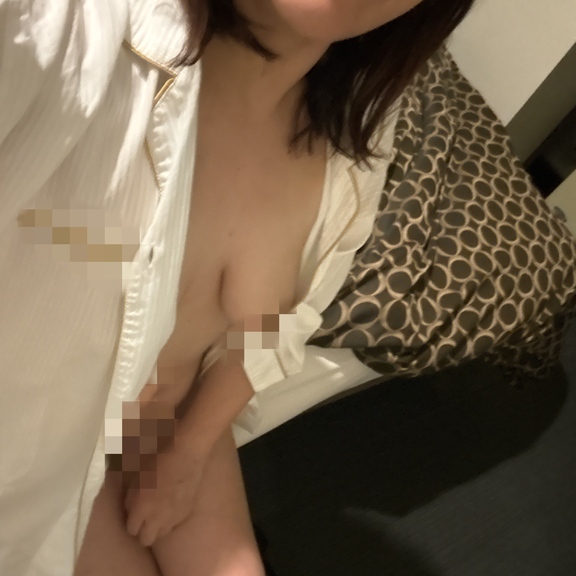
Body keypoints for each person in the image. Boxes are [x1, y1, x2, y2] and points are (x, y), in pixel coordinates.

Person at [0, 0, 476, 574]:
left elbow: (275, 328)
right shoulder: (83, 38)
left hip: (176, 418)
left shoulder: (352, 141)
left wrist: (188, 453)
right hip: (55, 435)